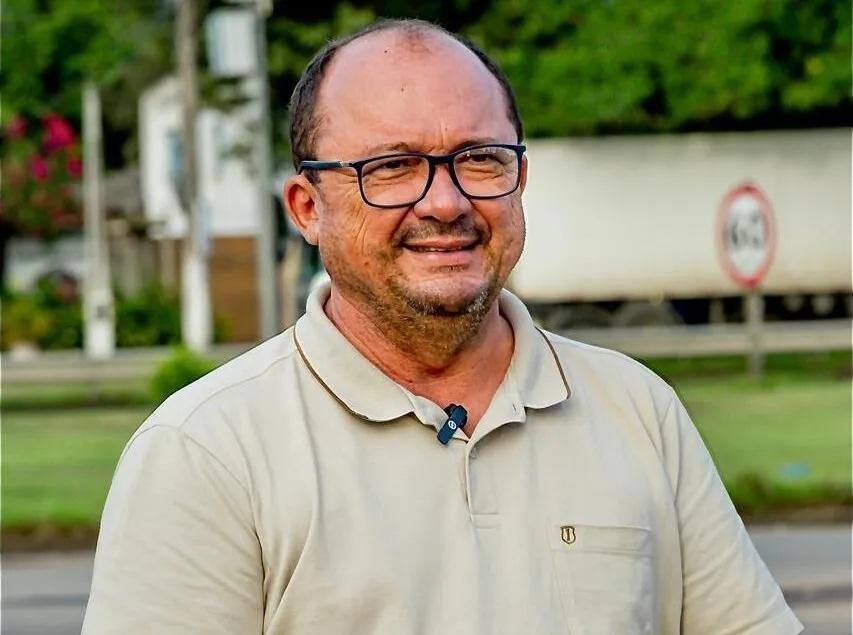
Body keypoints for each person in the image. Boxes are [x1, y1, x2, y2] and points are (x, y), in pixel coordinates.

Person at [83, 19, 802, 634]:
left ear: (520, 178)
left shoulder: (636, 410)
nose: (446, 201)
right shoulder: (208, 453)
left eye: (480, 159)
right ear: (306, 208)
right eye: (392, 167)